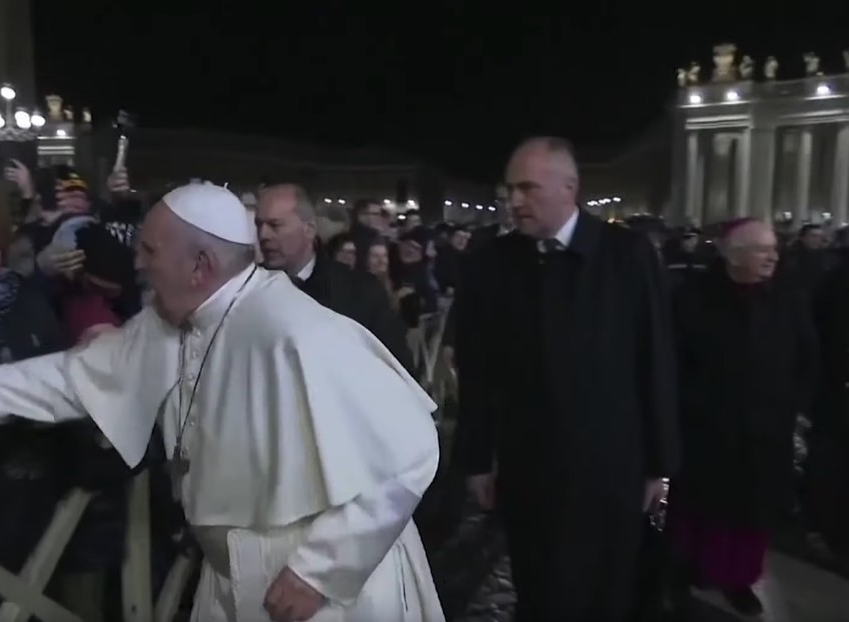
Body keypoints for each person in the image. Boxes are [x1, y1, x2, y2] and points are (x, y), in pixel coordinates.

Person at [0, 182, 444, 621]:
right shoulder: (173, 318)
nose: (139, 267)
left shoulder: (295, 330)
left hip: (321, 587)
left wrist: (321, 569)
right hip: (230, 574)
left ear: (200, 264)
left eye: (149, 252)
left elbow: (412, 450)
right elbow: (75, 376)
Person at [453, 137, 679, 621]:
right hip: (529, 465)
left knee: (606, 592)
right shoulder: (493, 262)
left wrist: (660, 464)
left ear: (568, 187)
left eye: (528, 188)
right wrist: (475, 458)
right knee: (539, 588)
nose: (514, 201)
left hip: (612, 466)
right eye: (510, 189)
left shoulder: (628, 255)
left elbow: (655, 358)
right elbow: (477, 370)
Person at [670, 219, 817, 616]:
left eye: (774, 249)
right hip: (708, 428)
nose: (772, 256)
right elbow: (674, 364)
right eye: (761, 249)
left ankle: (738, 579)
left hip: (767, 428)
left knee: (752, 513)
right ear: (733, 256)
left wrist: (792, 404)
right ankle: (687, 572)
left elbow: (807, 356)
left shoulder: (788, 296)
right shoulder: (692, 298)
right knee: (701, 508)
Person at [255, 182, 413, 371]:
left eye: (275, 225)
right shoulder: (248, 289)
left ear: (309, 229)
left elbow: (398, 368)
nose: (263, 235)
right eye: (259, 225)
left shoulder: (361, 292)